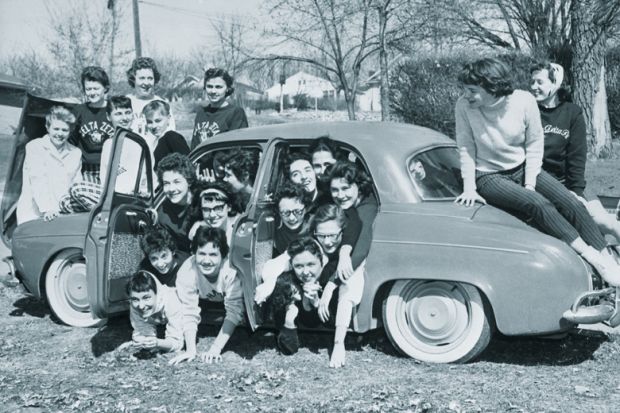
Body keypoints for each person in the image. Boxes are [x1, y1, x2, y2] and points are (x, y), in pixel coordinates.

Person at [454, 57, 620, 286]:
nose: (466, 95)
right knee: (539, 205)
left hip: (523, 167)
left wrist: (530, 183)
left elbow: (534, 144)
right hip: (489, 175)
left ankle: (608, 259)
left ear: (491, 86)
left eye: (472, 90)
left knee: (572, 203)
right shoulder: (464, 106)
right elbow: (465, 146)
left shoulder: (523, 101)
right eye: (464, 90)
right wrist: (470, 187)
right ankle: (595, 260)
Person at [530, 60, 620, 241]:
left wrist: (576, 193)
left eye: (539, 82)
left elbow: (577, 157)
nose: (534, 87)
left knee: (605, 222)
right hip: (541, 184)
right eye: (532, 82)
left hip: (569, 182)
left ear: (554, 83)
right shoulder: (529, 110)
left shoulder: (572, 112)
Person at [170, 226, 244, 365]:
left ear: (223, 256)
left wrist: (215, 349)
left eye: (213, 254)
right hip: (205, 300)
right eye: (202, 253)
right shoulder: (187, 271)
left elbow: (234, 311)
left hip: (229, 299)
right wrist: (191, 350)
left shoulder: (231, 270)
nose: (206, 260)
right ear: (194, 253)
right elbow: (189, 310)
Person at [17, 106, 82, 224]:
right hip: (34, 213)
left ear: (71, 131)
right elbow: (38, 180)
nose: (60, 134)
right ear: (47, 127)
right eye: (56, 129)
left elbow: (76, 185)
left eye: (64, 130)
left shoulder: (76, 153)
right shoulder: (35, 147)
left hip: (63, 214)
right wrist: (47, 209)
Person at [70, 66, 115, 184]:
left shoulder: (114, 109)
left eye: (96, 88)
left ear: (105, 88)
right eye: (88, 89)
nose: (92, 92)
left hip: (111, 166)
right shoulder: (79, 111)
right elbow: (71, 141)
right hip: (87, 169)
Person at [126, 271, 184, 353]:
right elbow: (143, 331)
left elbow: (177, 343)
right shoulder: (135, 305)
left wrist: (158, 343)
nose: (141, 306)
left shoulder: (172, 301)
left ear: (158, 294)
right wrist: (143, 340)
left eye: (146, 298)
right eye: (135, 299)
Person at [190, 67, 248, 149]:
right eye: (209, 86)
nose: (213, 91)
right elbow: (194, 146)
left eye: (218, 87)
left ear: (227, 89)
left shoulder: (235, 113)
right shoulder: (201, 112)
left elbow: (238, 149)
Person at [155, 153, 196, 255]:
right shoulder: (163, 215)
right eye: (166, 183)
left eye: (177, 182)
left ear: (189, 181)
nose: (172, 189)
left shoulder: (203, 201)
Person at [126, 57, 176, 135]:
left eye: (150, 78)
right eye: (142, 78)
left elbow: (170, 134)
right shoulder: (125, 102)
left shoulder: (162, 104)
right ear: (133, 79)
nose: (146, 83)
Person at [142, 100, 190, 168]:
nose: (154, 126)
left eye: (158, 121)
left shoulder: (172, 137)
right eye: (149, 122)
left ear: (168, 118)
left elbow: (187, 165)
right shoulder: (154, 141)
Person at [273, 182, 313, 256]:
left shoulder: (315, 223)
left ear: (306, 209)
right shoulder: (273, 225)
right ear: (278, 212)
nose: (291, 218)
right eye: (285, 213)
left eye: (297, 211)